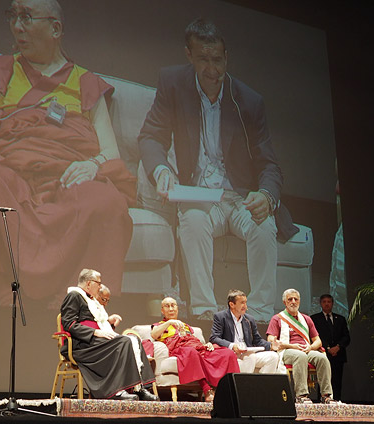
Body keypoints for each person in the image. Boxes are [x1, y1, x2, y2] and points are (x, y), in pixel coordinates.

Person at [0, 0, 137, 303]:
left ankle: (77, 306)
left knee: (106, 202)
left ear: (55, 28)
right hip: (8, 169)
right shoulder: (4, 69)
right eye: (13, 16)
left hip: (64, 176)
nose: (17, 26)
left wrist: (93, 164)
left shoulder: (85, 82)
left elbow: (110, 152)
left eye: (27, 18)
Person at [137, 17, 298, 322]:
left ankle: (263, 316)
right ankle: (205, 314)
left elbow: (269, 163)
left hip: (238, 196)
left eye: (217, 60)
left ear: (227, 57)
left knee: (264, 228)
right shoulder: (172, 84)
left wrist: (266, 195)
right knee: (192, 222)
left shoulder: (248, 101)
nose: (212, 69)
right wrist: (161, 170)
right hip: (199, 194)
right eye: (203, 60)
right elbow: (151, 137)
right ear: (189, 56)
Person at [60, 269, 157, 401]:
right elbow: (68, 323)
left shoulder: (91, 299)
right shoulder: (74, 296)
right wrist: (95, 332)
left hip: (95, 340)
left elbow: (95, 321)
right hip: (82, 344)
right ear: (88, 284)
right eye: (98, 283)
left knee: (134, 339)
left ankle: (139, 388)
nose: (100, 286)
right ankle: (116, 391)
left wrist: (108, 322)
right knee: (123, 342)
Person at [151, 297, 239, 402]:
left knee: (227, 353)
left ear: (177, 308)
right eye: (167, 306)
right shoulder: (160, 325)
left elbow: (194, 341)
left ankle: (232, 391)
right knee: (191, 352)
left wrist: (207, 344)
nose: (171, 309)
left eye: (173, 305)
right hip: (181, 349)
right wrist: (169, 323)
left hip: (197, 348)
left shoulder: (186, 326)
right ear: (162, 310)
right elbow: (154, 334)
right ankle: (207, 390)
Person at [266, 289, 336, 404]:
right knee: (300, 356)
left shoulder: (306, 319)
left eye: (296, 299)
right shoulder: (277, 318)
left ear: (299, 301)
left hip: (306, 349)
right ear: (284, 302)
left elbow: (318, 341)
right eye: (290, 299)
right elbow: (271, 341)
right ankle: (301, 395)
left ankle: (326, 395)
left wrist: (310, 347)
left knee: (322, 358)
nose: (293, 301)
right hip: (287, 350)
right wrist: (292, 346)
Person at [210, 289, 282, 373]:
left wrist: (271, 346)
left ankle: (262, 385)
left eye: (245, 302)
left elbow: (257, 340)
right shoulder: (221, 317)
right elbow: (214, 338)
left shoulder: (249, 319)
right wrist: (232, 346)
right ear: (232, 304)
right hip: (231, 354)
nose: (245, 306)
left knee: (273, 357)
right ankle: (245, 385)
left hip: (248, 352)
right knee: (249, 356)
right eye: (242, 303)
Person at [310, 294, 350, 400]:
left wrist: (338, 347)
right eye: (324, 302)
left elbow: (346, 337)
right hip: (323, 353)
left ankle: (336, 400)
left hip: (338, 354)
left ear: (332, 303)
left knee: (337, 379)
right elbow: (315, 336)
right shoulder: (314, 318)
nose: (327, 304)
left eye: (329, 302)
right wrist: (328, 348)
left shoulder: (340, 319)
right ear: (320, 303)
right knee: (323, 378)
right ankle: (322, 400)